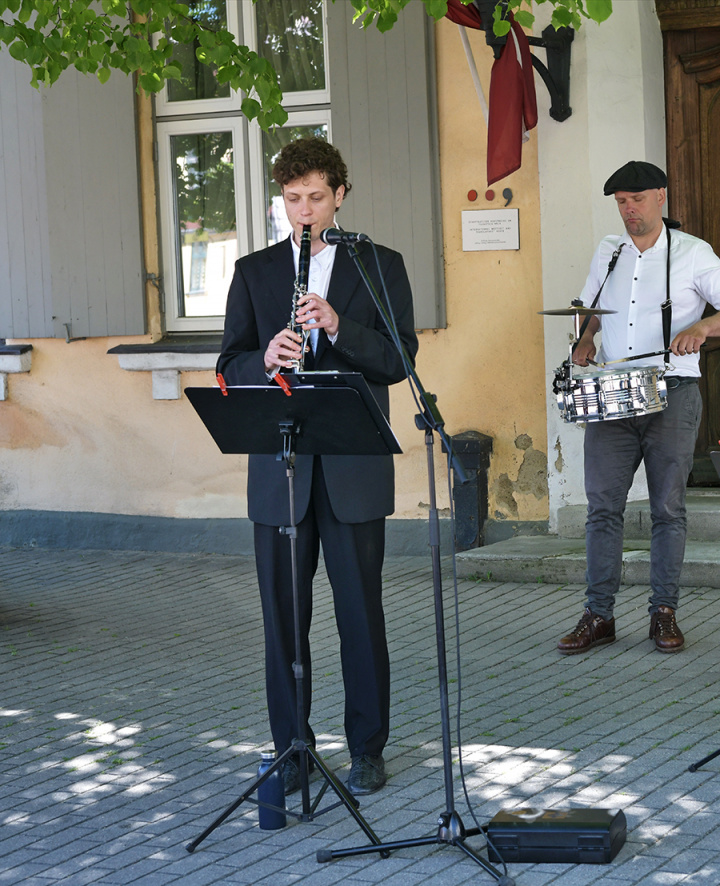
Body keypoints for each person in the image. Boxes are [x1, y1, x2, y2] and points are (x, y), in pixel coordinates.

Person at [217, 137, 418, 796]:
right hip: (281, 472)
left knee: (360, 615)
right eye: (292, 198)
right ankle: (292, 750)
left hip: (352, 470)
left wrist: (336, 327)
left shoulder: (378, 264)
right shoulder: (254, 272)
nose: (303, 211)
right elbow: (229, 366)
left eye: (315, 197)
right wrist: (264, 360)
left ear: (340, 195)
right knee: (283, 623)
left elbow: (400, 359)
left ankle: (367, 748)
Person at [556, 161, 720, 655]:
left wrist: (703, 327)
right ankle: (599, 615)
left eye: (638, 199)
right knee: (603, 507)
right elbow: (590, 310)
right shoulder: (609, 250)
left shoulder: (692, 252)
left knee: (667, 507)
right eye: (622, 202)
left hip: (672, 391)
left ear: (661, 197)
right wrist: (585, 338)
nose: (629, 210)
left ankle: (663, 612)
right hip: (613, 392)